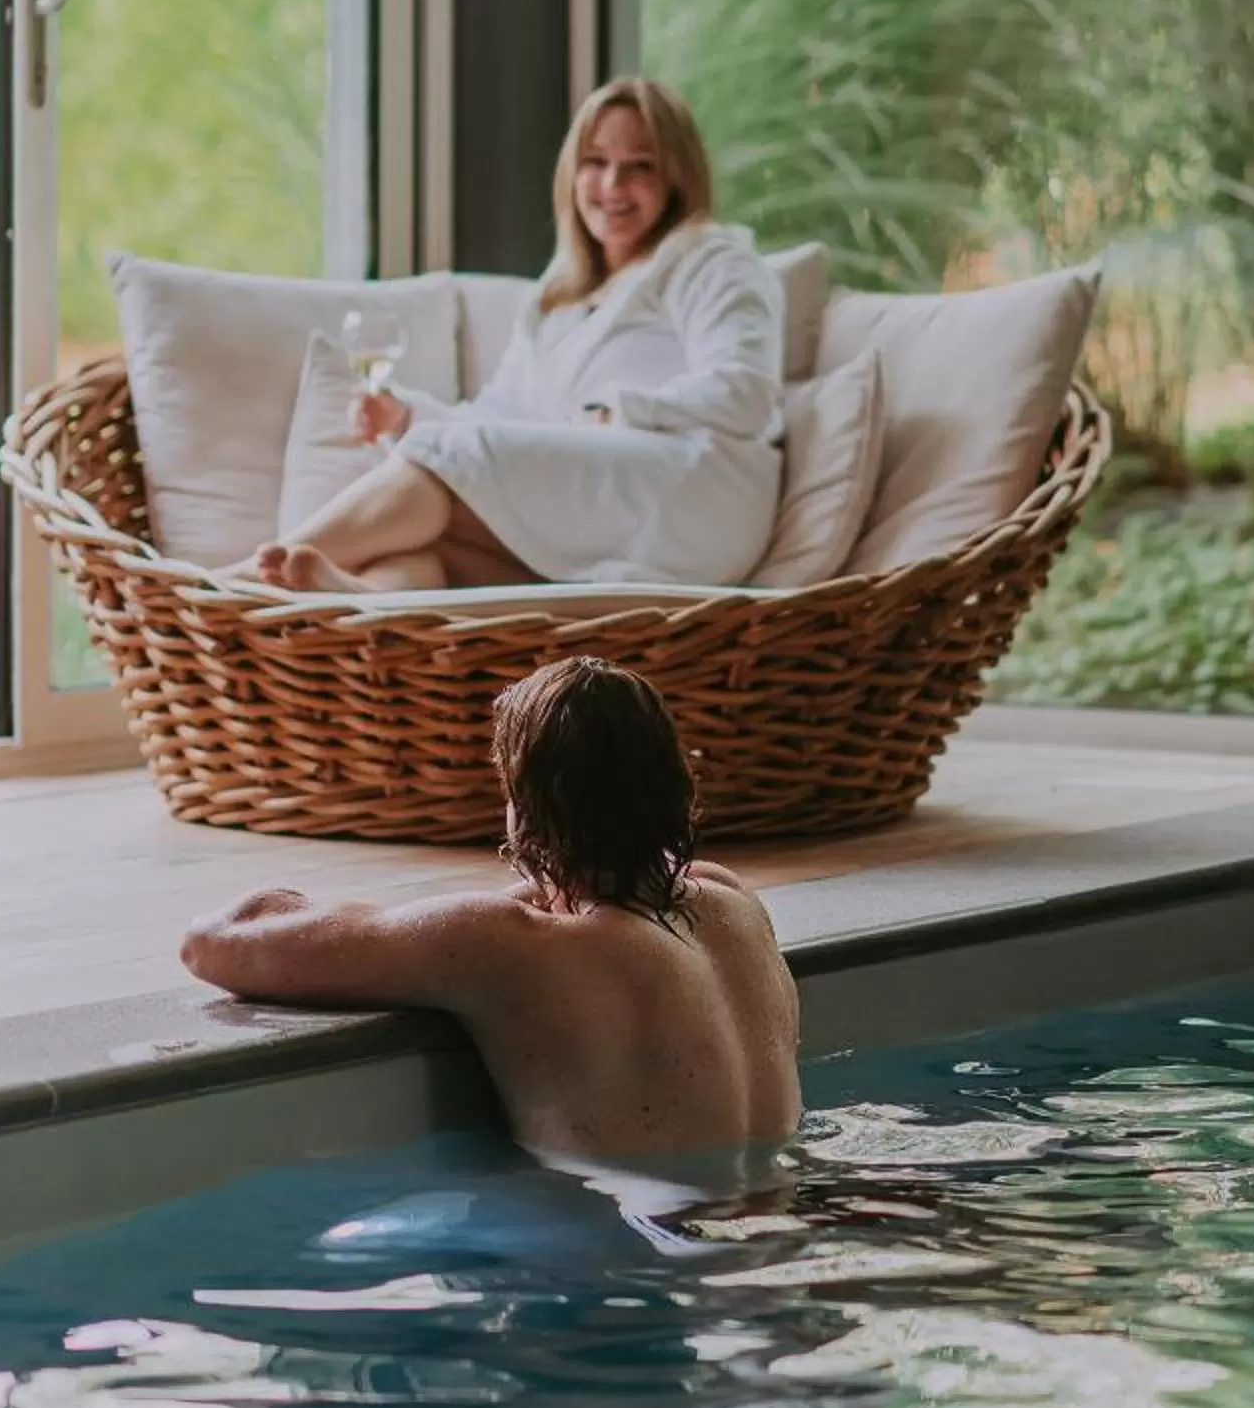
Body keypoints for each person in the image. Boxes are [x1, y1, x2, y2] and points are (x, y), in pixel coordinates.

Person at [178, 658, 802, 1170]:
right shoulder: (735, 905)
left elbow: (214, 943)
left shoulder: (504, 944)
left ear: (523, 811)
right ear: (678, 786)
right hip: (784, 1213)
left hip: (635, 1249)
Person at [247, 78, 784, 595]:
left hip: (692, 494)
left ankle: (241, 584)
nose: (612, 186)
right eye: (596, 163)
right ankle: (356, 597)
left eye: (639, 166)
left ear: (677, 177)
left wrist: (619, 410)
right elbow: (505, 420)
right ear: (572, 174)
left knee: (449, 461)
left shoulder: (710, 258)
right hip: (590, 504)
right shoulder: (558, 295)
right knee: (424, 546)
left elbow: (749, 394)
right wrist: (405, 417)